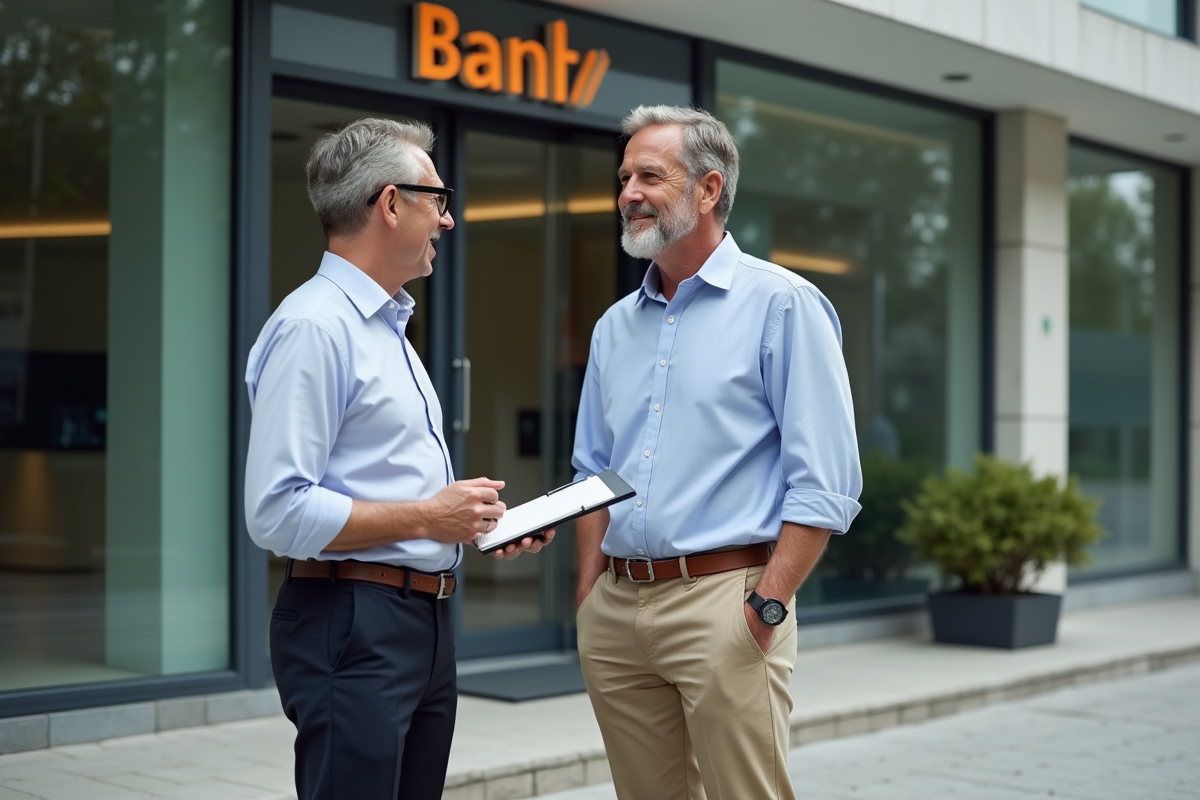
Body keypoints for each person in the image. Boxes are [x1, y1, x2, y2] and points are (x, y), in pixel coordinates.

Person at [244, 118, 551, 800]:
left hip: (419, 622)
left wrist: (472, 523)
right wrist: (427, 515)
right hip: (352, 621)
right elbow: (277, 510)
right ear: (390, 203)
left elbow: (390, 489)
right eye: (437, 199)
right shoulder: (314, 328)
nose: (447, 219)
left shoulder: (388, 329)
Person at [571, 105, 862, 800]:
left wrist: (768, 604)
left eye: (649, 175)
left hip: (726, 602)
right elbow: (592, 470)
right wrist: (589, 594)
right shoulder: (615, 328)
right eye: (623, 177)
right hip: (617, 607)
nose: (628, 193)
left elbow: (825, 481)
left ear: (708, 190)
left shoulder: (783, 304)